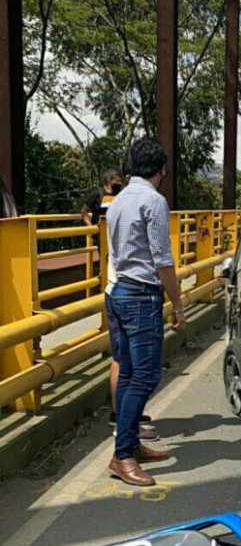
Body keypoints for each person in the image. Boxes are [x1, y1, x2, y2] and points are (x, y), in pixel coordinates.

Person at [105, 138, 186, 487]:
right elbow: (162, 260)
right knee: (147, 376)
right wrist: (178, 302)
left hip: (118, 292)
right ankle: (122, 455)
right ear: (162, 170)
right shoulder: (154, 201)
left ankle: (130, 446)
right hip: (141, 297)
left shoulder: (119, 199)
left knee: (127, 373)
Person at [86, 169, 159, 442]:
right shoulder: (135, 203)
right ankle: (126, 433)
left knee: (124, 363)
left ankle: (125, 424)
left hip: (114, 288)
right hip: (132, 291)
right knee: (140, 371)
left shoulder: (116, 205)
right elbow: (158, 256)